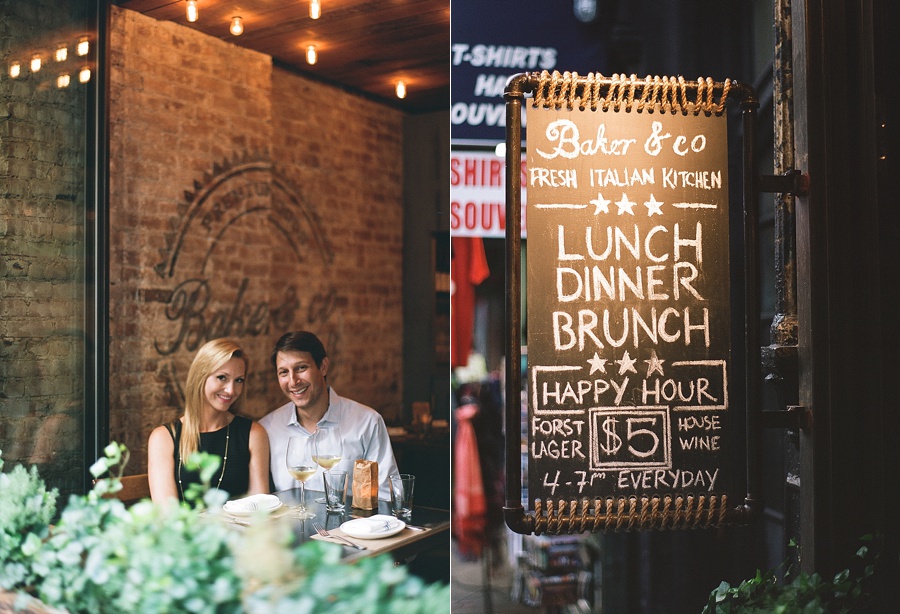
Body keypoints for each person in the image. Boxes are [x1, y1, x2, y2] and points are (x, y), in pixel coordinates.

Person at [260, 330, 399, 500]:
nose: (293, 381)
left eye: (301, 368)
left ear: (323, 366)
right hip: (289, 526)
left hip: (351, 526)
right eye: (284, 372)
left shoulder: (367, 422)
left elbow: (386, 496)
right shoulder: (267, 429)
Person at [148, 338, 270, 504]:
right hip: (185, 530)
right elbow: (166, 516)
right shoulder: (163, 438)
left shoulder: (253, 434)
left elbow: (261, 509)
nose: (231, 390)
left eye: (239, 380)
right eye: (222, 377)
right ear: (200, 377)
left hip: (240, 530)